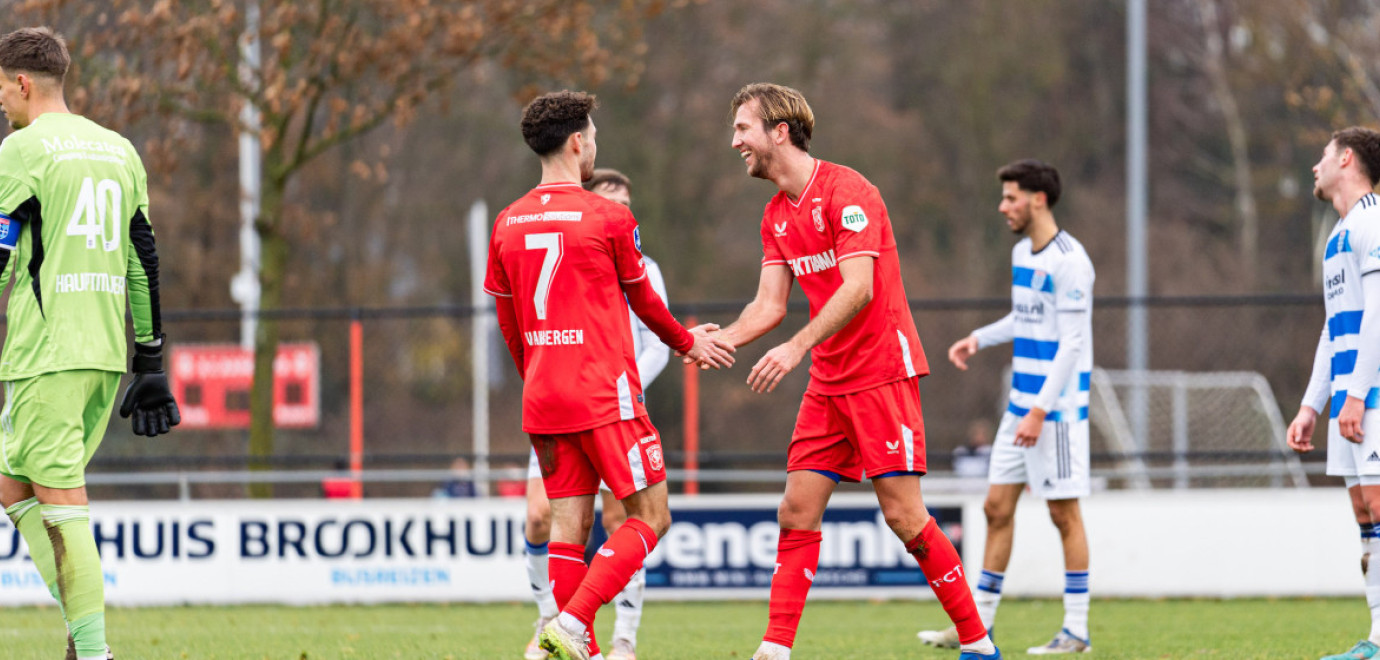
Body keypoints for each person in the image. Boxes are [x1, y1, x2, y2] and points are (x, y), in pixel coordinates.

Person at [704, 82, 998, 660]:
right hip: (829, 381)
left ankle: (978, 643)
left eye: (743, 128)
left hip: (882, 371)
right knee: (795, 509)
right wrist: (717, 340)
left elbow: (858, 288)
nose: (734, 140)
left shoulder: (848, 189)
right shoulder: (775, 216)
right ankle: (775, 648)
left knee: (905, 517)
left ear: (778, 131)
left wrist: (796, 348)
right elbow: (767, 306)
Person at [484, 90, 733, 660]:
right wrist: (688, 342)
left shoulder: (507, 222)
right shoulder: (610, 217)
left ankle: (580, 649)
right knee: (652, 514)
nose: (595, 145)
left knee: (569, 535)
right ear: (577, 142)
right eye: (593, 136)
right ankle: (573, 624)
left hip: (544, 398)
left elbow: (508, 322)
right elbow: (645, 301)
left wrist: (540, 376)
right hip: (605, 395)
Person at [0, 26, 180, 660]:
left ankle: (94, 651)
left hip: (45, 353)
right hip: (103, 355)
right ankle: (83, 632)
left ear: (22, 83)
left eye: (0, 88)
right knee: (10, 481)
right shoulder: (119, 150)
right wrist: (151, 357)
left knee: (60, 499)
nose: (0, 102)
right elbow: (142, 260)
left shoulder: (20, 151)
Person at [918, 160, 1095, 654]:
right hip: (1021, 407)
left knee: (1064, 514)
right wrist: (979, 338)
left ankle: (1076, 631)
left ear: (1038, 199)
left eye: (1011, 197)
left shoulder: (1071, 261)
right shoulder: (1023, 253)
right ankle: (978, 627)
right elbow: (1025, 317)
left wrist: (1041, 410)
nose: (1003, 207)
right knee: (997, 508)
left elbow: (1072, 344)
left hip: (1054, 413)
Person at [522, 168, 669, 660]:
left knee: (614, 518)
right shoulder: (575, 249)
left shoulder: (642, 262)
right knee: (549, 518)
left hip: (606, 400)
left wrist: (622, 388)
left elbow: (656, 344)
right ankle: (559, 620)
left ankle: (621, 634)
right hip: (568, 398)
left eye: (627, 201)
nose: (621, 209)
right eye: (612, 199)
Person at [1287, 126, 1380, 660]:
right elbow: (1334, 328)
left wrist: (1358, 395)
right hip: (1352, 400)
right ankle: (1374, 636)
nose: (1314, 167)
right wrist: (1310, 404)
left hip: (1369, 398)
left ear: (1347, 159)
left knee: (1377, 506)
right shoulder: (1337, 236)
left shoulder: (1372, 220)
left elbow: (1376, 316)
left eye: (1322, 156)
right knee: (1365, 516)